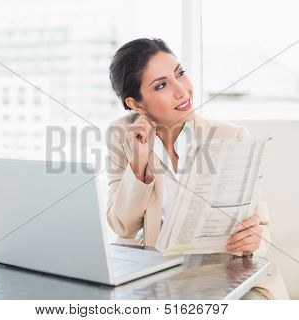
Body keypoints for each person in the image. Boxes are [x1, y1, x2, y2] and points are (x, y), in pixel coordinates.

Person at [106, 38, 289, 300]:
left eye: (180, 73)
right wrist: (138, 164)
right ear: (136, 104)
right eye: (161, 85)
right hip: (159, 279)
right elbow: (123, 227)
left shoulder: (231, 136)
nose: (182, 91)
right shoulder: (122, 134)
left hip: (225, 275)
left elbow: (262, 227)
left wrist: (255, 240)